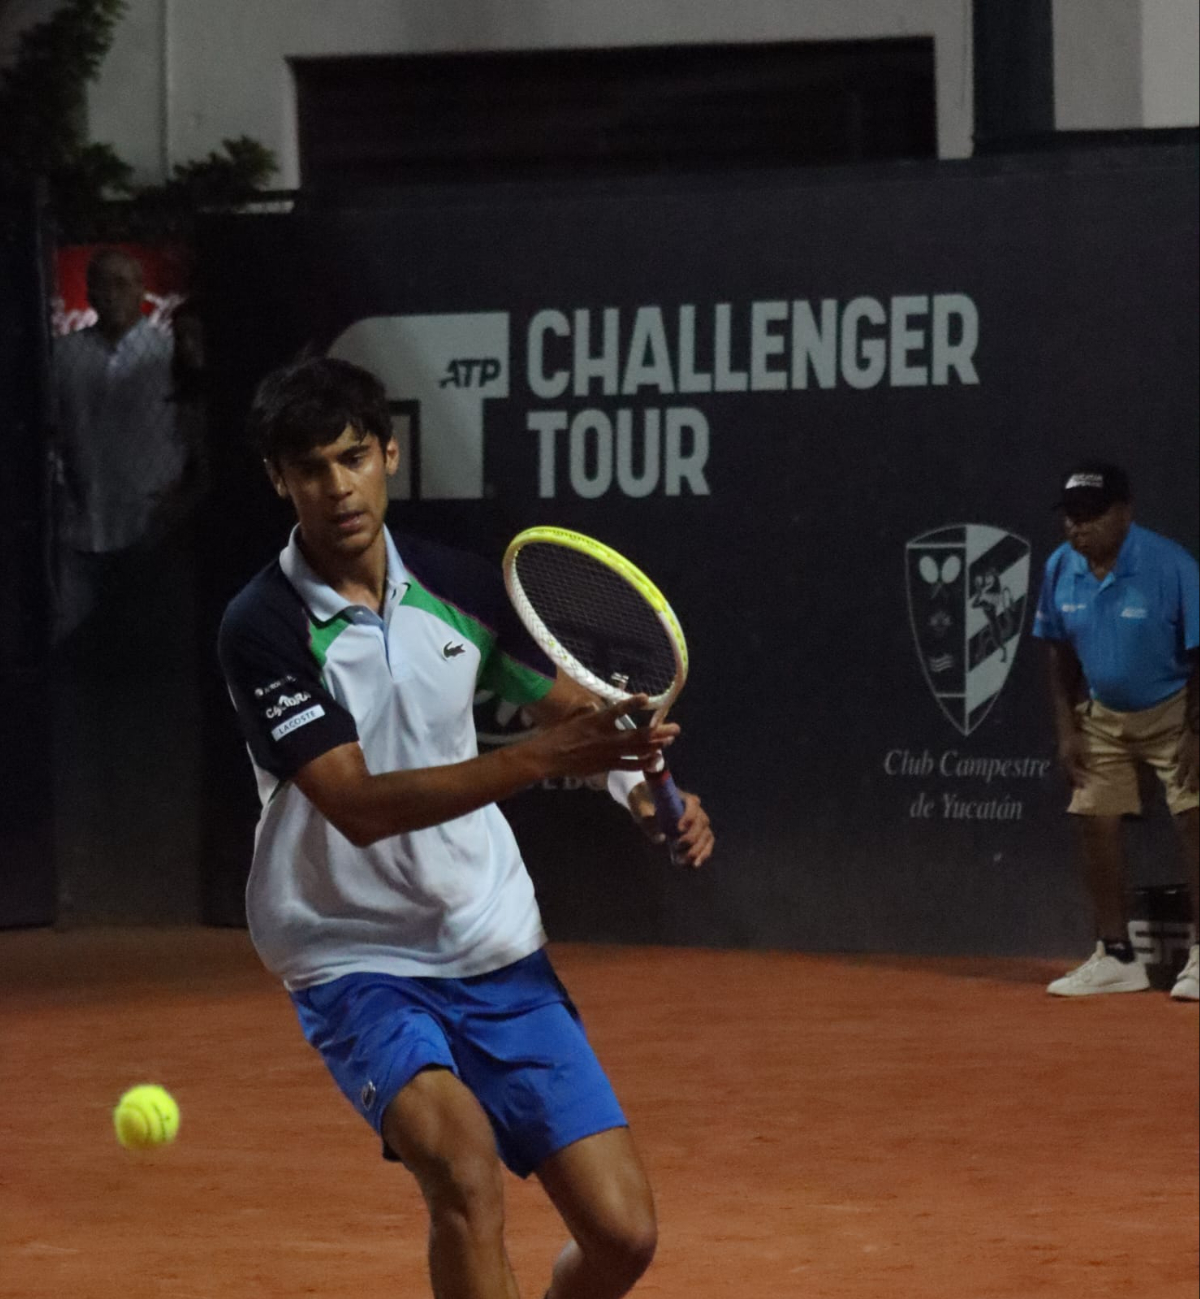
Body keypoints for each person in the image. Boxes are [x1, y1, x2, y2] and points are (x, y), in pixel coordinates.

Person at [217, 356, 714, 1299]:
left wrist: (648, 794)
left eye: (353, 457)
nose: (337, 487)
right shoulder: (264, 625)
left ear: (390, 455)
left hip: (490, 940)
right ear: (280, 479)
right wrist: (541, 760)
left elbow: (579, 717)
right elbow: (357, 805)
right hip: (353, 956)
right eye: (310, 467)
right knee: (462, 1168)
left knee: (622, 1235)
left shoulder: (463, 588)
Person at [1032, 460, 1199, 999]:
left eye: (1091, 515)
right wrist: (1067, 729)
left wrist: (1197, 730)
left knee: (1195, 814)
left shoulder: (1172, 566)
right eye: (1071, 516)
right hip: (1101, 715)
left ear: (1125, 513)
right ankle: (1116, 956)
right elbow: (1058, 652)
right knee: (1093, 817)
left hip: (1177, 709)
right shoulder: (1061, 567)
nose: (1077, 526)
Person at [50, 246, 192, 638]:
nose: (110, 293)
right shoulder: (63, 355)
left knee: (145, 634)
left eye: (121, 283)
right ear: (89, 291)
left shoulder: (167, 355)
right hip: (82, 519)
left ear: (140, 290)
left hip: (150, 518)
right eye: (101, 283)